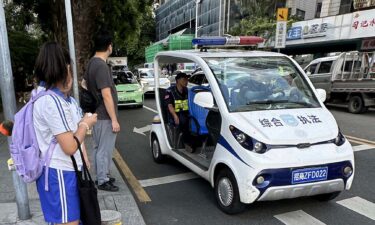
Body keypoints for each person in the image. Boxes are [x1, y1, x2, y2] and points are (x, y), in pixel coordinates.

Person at [33, 42, 97, 225]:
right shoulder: (50, 101)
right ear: (64, 68)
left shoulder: (64, 100)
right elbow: (69, 146)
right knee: (68, 222)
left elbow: (73, 132)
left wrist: (84, 157)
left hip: (69, 171)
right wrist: (86, 124)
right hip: (58, 172)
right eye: (69, 67)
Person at [85, 31, 120, 192]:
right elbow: (106, 94)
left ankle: (102, 174)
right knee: (104, 149)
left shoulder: (91, 63)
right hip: (104, 115)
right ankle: (102, 180)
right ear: (108, 46)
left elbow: (85, 84)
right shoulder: (101, 65)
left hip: (97, 113)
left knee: (99, 148)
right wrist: (114, 119)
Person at [165, 72, 194, 152]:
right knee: (184, 119)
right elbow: (169, 105)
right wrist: (175, 116)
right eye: (184, 79)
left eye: (187, 79)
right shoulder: (170, 91)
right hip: (175, 115)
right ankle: (186, 143)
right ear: (178, 80)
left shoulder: (186, 90)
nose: (186, 81)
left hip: (185, 113)